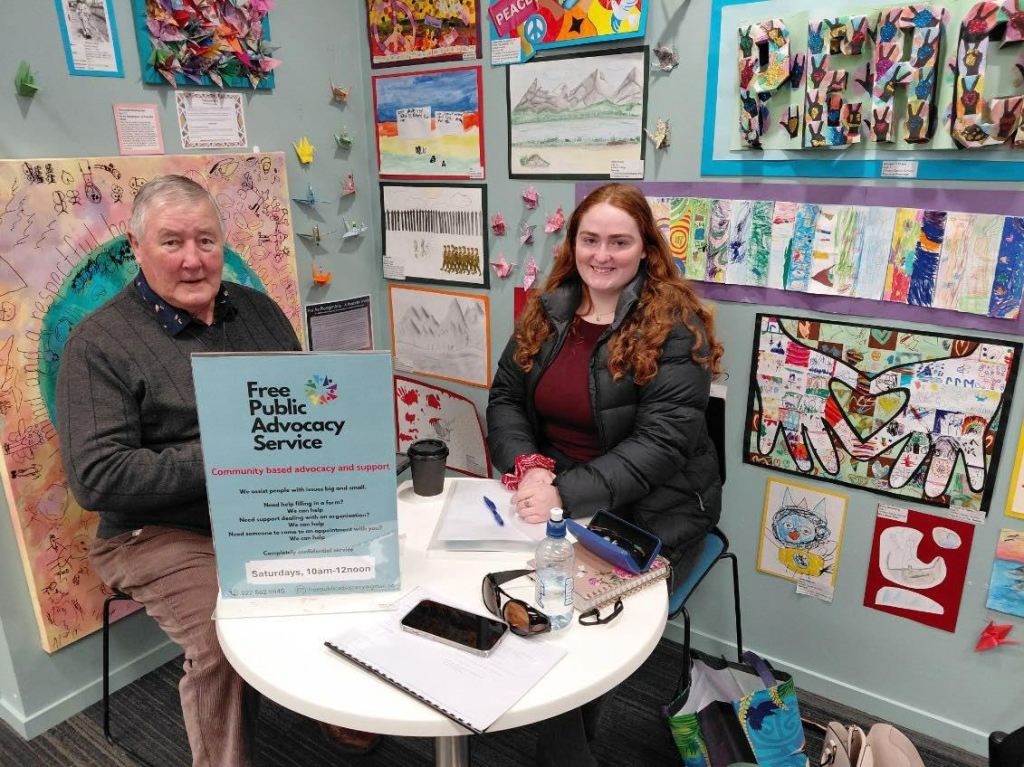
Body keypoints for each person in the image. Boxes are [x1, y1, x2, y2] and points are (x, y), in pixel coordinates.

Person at [54, 175, 378, 766]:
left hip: (271, 508)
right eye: (172, 242)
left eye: (206, 240)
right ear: (136, 248)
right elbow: (97, 477)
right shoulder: (98, 344)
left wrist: (346, 430)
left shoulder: (257, 310)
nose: (193, 259)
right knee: (223, 639)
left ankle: (335, 704)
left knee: (362, 566)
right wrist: (234, 455)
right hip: (158, 532)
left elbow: (306, 401)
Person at [486, 182, 724, 767]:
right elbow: (506, 401)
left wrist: (562, 491)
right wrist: (532, 467)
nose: (602, 254)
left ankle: (564, 753)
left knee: (571, 622)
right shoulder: (548, 309)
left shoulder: (675, 324)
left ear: (646, 248)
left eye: (620, 241)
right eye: (590, 239)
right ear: (574, 244)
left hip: (655, 508)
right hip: (552, 494)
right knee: (497, 591)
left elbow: (661, 446)